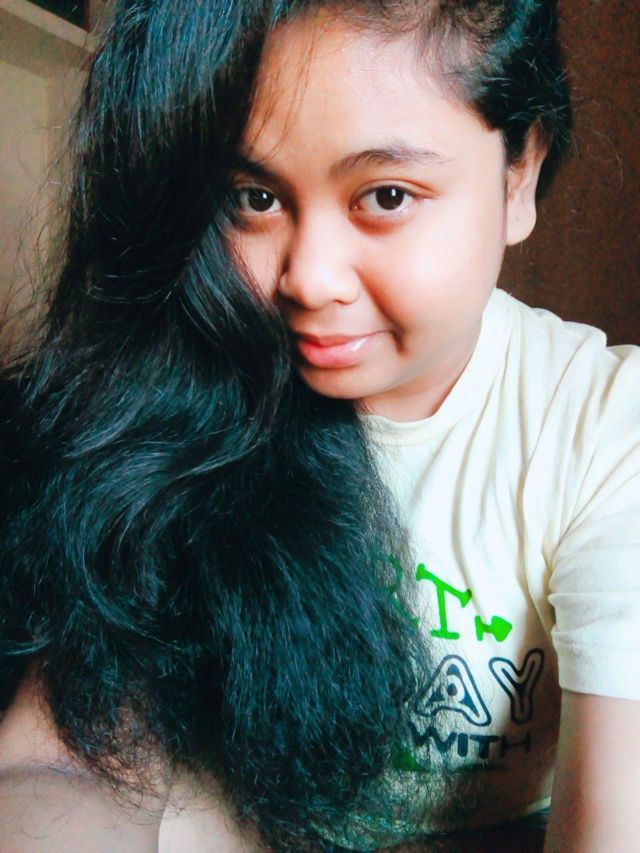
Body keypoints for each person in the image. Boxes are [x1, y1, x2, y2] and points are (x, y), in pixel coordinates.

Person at [0, 0, 638, 851]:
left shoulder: (602, 425)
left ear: (518, 173)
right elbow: (62, 763)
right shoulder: (174, 387)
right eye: (254, 197)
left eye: (385, 196)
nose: (309, 278)